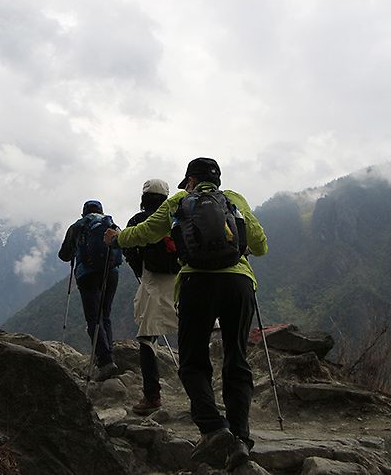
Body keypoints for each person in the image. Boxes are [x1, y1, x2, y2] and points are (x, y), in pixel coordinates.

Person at [104, 158, 268, 471]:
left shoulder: (180, 201)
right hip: (238, 284)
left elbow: (147, 232)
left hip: (197, 283)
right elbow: (261, 246)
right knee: (236, 358)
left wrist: (117, 239)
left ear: (191, 181)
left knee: (193, 360)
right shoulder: (235, 199)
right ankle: (240, 438)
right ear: (217, 181)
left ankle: (213, 428)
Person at [123, 179, 180, 415]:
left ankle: (152, 396)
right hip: (184, 280)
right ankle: (201, 393)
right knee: (192, 334)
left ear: (144, 197)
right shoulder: (177, 217)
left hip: (153, 282)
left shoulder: (138, 220)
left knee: (147, 337)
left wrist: (140, 271)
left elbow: (128, 249)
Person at [58, 200, 123, 382]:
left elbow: (64, 255)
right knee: (105, 315)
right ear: (101, 211)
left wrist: (76, 249)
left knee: (94, 318)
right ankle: (109, 355)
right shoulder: (110, 224)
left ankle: (105, 361)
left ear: (83, 213)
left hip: (87, 275)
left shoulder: (78, 226)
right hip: (111, 273)